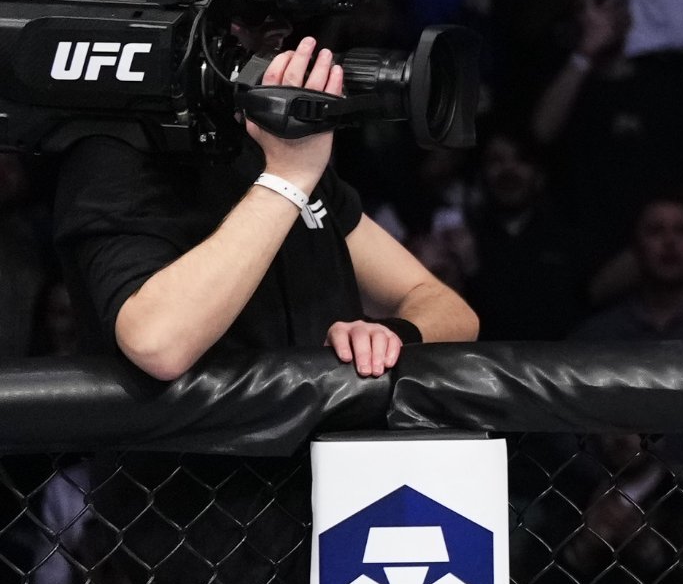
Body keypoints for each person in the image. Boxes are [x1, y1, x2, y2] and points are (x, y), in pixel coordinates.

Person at [57, 35, 479, 379]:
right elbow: (157, 343)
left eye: (279, 16)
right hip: (195, 472)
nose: (271, 33)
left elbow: (449, 309)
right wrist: (286, 180)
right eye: (245, 13)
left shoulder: (284, 153)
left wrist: (390, 335)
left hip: (323, 467)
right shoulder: (117, 156)